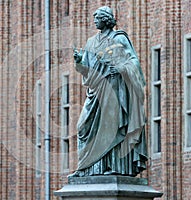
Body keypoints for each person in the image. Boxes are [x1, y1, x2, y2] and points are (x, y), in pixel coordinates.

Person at [70, 6, 147, 177]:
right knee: (83, 126)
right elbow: (87, 70)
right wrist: (79, 62)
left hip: (114, 88)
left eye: (97, 17)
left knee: (111, 127)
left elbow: (133, 61)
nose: (95, 20)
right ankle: (87, 168)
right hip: (96, 89)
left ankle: (114, 167)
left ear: (105, 19)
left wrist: (120, 68)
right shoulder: (91, 42)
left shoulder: (119, 38)